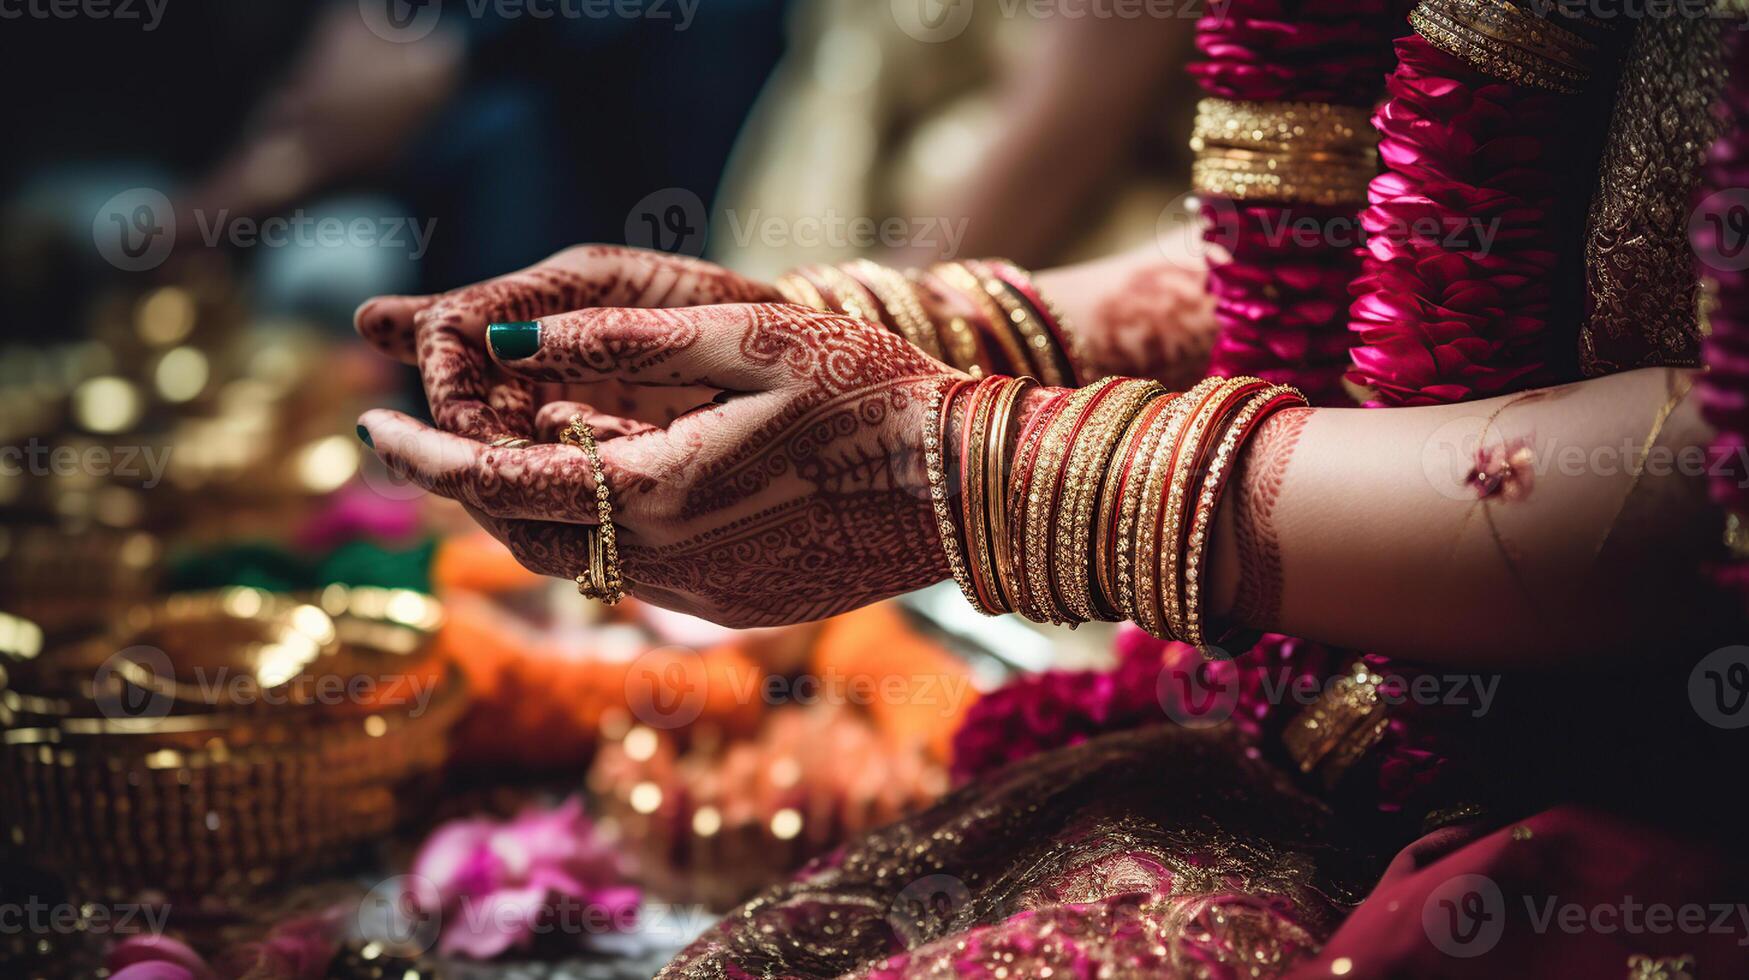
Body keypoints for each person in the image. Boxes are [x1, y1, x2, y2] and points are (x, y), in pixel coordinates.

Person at [352, 3, 1749, 976]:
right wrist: (826, 337)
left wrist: (965, 468)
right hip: (1333, 683)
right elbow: (1366, 254)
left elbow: (1715, 477)